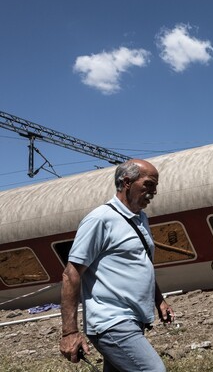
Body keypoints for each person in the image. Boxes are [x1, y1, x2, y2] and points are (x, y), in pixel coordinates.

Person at [59, 159, 174, 372]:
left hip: (133, 319)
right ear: (127, 182)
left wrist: (159, 300)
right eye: (149, 184)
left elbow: (141, 264)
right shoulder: (100, 219)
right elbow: (71, 273)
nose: (154, 192)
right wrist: (69, 332)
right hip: (112, 321)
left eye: (156, 187)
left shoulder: (141, 219)